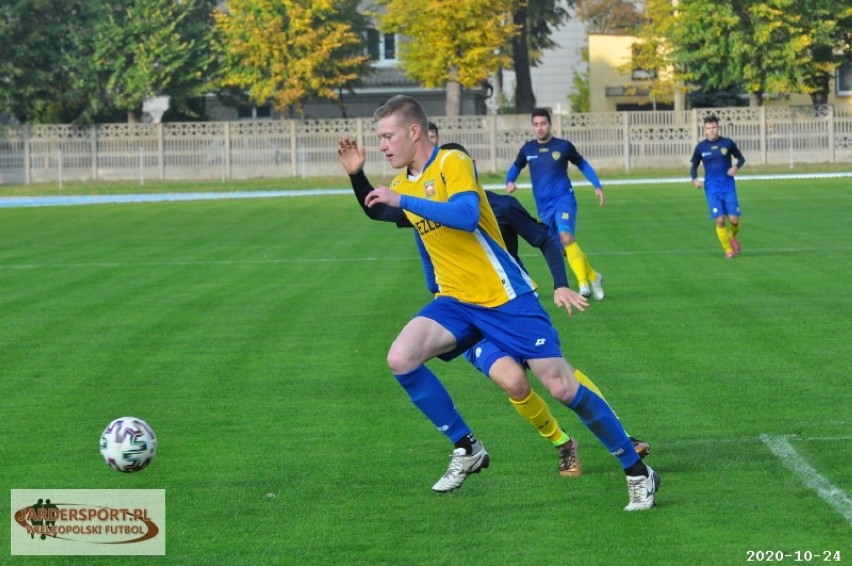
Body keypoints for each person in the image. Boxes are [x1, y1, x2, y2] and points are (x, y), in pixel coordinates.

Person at [341, 95, 659, 510]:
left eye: (387, 136)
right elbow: (380, 210)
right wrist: (357, 176)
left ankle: (637, 470)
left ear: (413, 131)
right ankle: (467, 446)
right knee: (401, 357)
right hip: (455, 302)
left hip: (505, 298)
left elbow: (466, 215)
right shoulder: (403, 185)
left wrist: (402, 200)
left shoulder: (452, 162)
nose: (382, 145)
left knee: (562, 387)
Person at [505, 108, 606, 301]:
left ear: (550, 124)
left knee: (566, 236)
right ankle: (594, 277)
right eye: (536, 124)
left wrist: (597, 185)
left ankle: (583, 284)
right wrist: (509, 181)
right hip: (544, 208)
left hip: (563, 199)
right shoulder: (528, 149)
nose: (539, 128)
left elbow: (582, 164)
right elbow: (515, 167)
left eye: (543, 123)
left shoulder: (563, 146)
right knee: (562, 249)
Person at [690, 115, 746, 259]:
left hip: (728, 186)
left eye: (714, 127)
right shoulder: (700, 147)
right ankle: (728, 249)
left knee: (734, 220)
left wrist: (736, 167)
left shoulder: (727, 143)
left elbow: (741, 158)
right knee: (720, 220)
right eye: (708, 128)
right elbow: (693, 167)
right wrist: (695, 179)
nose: (712, 131)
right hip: (712, 188)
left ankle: (731, 236)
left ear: (718, 127)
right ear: (704, 130)